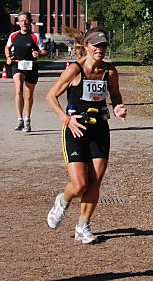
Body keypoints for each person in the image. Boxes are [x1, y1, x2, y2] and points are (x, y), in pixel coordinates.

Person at [46, 27, 127, 244]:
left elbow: (116, 94)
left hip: (99, 128)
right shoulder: (75, 70)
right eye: (96, 45)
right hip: (75, 129)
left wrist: (118, 107)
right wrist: (66, 119)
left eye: (103, 45)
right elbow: (51, 96)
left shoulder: (110, 71)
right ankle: (62, 201)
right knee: (80, 184)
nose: (100, 49)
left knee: (95, 182)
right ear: (86, 46)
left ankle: (83, 226)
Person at [4, 11, 47, 132]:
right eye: (22, 20)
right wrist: (8, 57)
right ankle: (19, 119)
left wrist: (38, 53)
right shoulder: (13, 35)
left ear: (30, 21)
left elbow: (44, 52)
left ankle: (27, 120)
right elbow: (7, 47)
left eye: (26, 20)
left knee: (28, 96)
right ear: (18, 22)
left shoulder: (35, 36)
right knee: (18, 89)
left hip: (31, 66)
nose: (24, 22)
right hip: (17, 64)